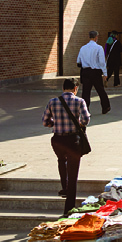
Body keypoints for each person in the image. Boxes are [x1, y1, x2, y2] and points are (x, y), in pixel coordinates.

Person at [42, 78, 90, 216]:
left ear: (63, 88)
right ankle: (68, 209)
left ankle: (64, 187)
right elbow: (86, 120)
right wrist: (78, 123)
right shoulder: (80, 101)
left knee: (61, 160)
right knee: (73, 174)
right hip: (73, 140)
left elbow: (45, 122)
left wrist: (55, 124)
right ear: (75, 88)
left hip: (57, 140)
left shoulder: (52, 102)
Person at [77, 30, 111, 114]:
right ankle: (105, 107)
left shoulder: (83, 48)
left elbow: (78, 61)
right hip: (96, 72)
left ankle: (85, 110)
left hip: (85, 71)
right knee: (100, 90)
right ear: (96, 37)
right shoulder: (99, 48)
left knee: (86, 92)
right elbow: (102, 62)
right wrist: (105, 73)